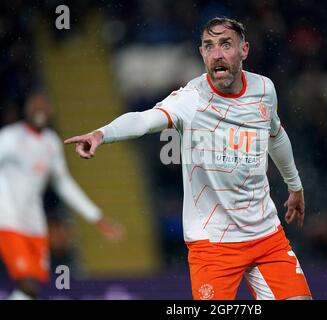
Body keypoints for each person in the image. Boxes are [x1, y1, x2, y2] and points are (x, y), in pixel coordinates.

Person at [65, 17, 311, 300]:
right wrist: (102, 133)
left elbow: (276, 136)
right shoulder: (191, 98)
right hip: (213, 244)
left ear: (244, 50)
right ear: (201, 54)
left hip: (267, 236)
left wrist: (295, 186)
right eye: (209, 46)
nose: (217, 53)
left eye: (226, 45)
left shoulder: (264, 90)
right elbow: (144, 120)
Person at [0, 92, 123, 300]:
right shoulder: (10, 137)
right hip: (8, 219)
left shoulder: (51, 143)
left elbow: (63, 183)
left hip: (34, 223)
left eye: (44, 105)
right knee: (28, 283)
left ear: (51, 111)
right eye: (35, 105)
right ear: (26, 109)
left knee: (31, 290)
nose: (40, 109)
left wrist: (97, 217)